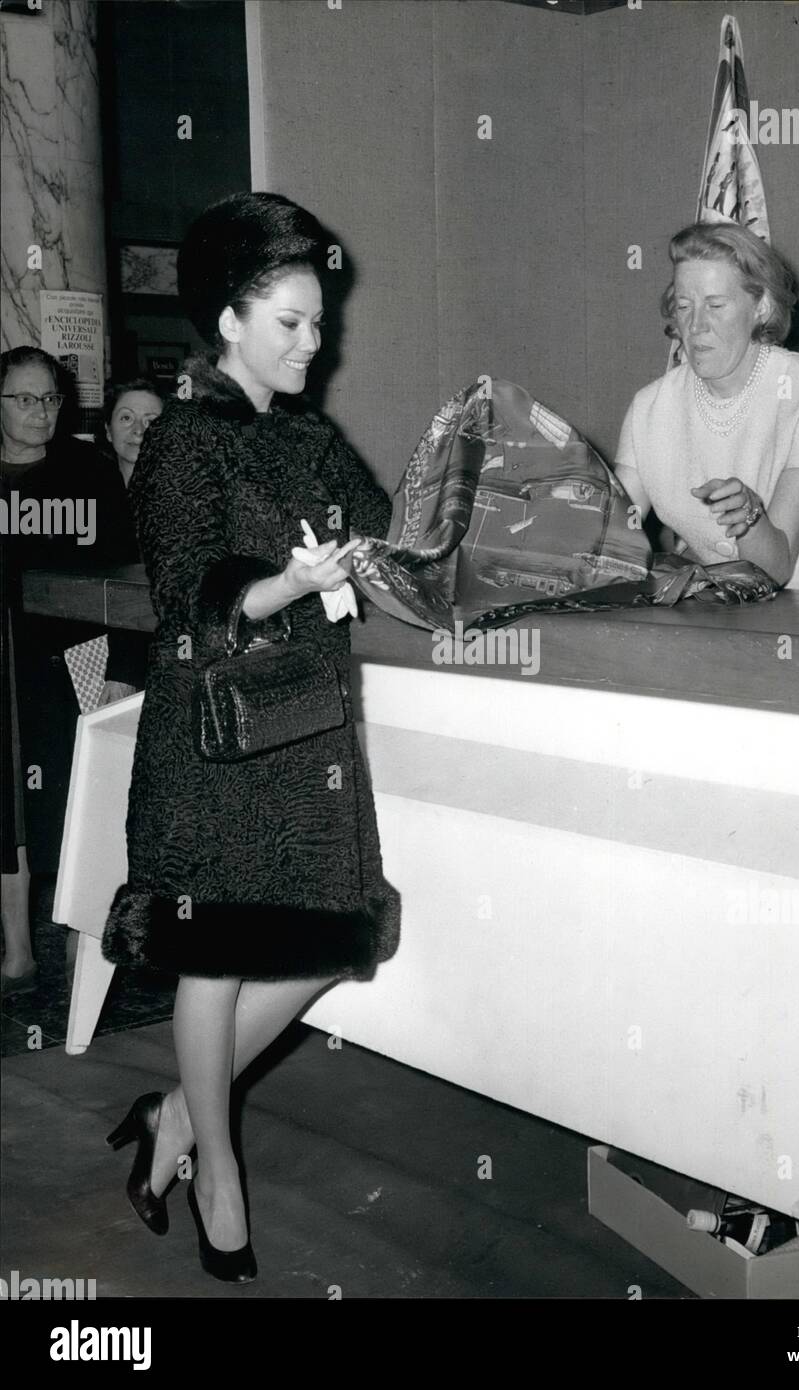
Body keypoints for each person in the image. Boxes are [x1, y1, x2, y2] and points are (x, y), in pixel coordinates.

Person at [101, 192, 400, 1283]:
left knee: (326, 944)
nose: (315, 345)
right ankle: (218, 1169)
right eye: (291, 321)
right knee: (219, 954)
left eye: (319, 323)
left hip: (308, 735)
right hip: (217, 740)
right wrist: (288, 581)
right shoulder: (182, 437)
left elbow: (383, 531)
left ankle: (176, 1110)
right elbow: (186, 599)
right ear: (229, 321)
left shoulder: (312, 437)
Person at [614, 222, 799, 592]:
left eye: (715, 305)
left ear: (760, 306)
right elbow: (609, 537)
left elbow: (774, 569)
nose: (696, 325)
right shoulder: (649, 407)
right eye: (684, 305)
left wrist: (748, 516)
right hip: (737, 616)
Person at [1, 347, 128, 994]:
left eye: (49, 398)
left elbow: (129, 578)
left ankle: (83, 954)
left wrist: (123, 665)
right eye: (24, 399)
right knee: (5, 813)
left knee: (75, 803)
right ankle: (17, 954)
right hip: (4, 667)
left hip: (69, 665)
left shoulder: (88, 472)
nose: (40, 412)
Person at [96, 377, 167, 704]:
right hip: (92, 658)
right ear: (108, 431)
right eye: (126, 418)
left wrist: (123, 671)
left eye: (151, 421)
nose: (138, 430)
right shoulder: (90, 499)